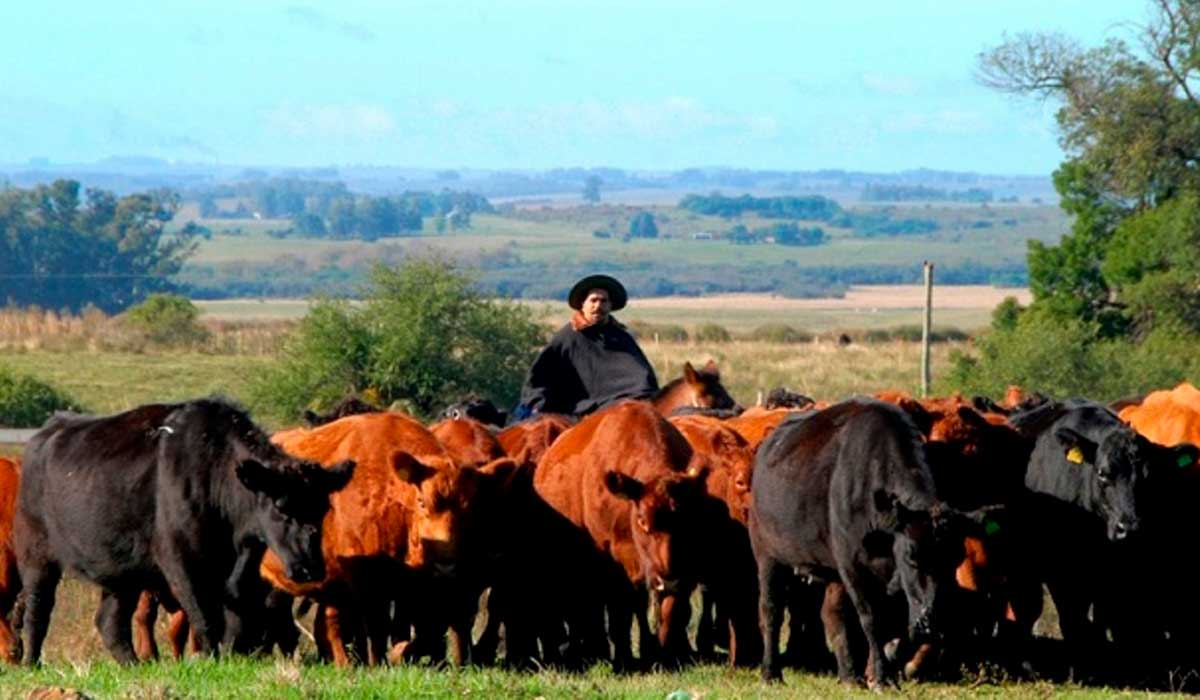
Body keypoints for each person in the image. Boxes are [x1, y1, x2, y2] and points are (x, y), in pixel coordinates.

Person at [515, 274, 658, 419]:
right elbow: (541, 377)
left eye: (604, 301)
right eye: (593, 300)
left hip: (622, 404)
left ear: (610, 306)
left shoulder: (622, 337)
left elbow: (641, 375)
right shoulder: (568, 337)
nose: (598, 306)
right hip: (579, 410)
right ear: (583, 304)